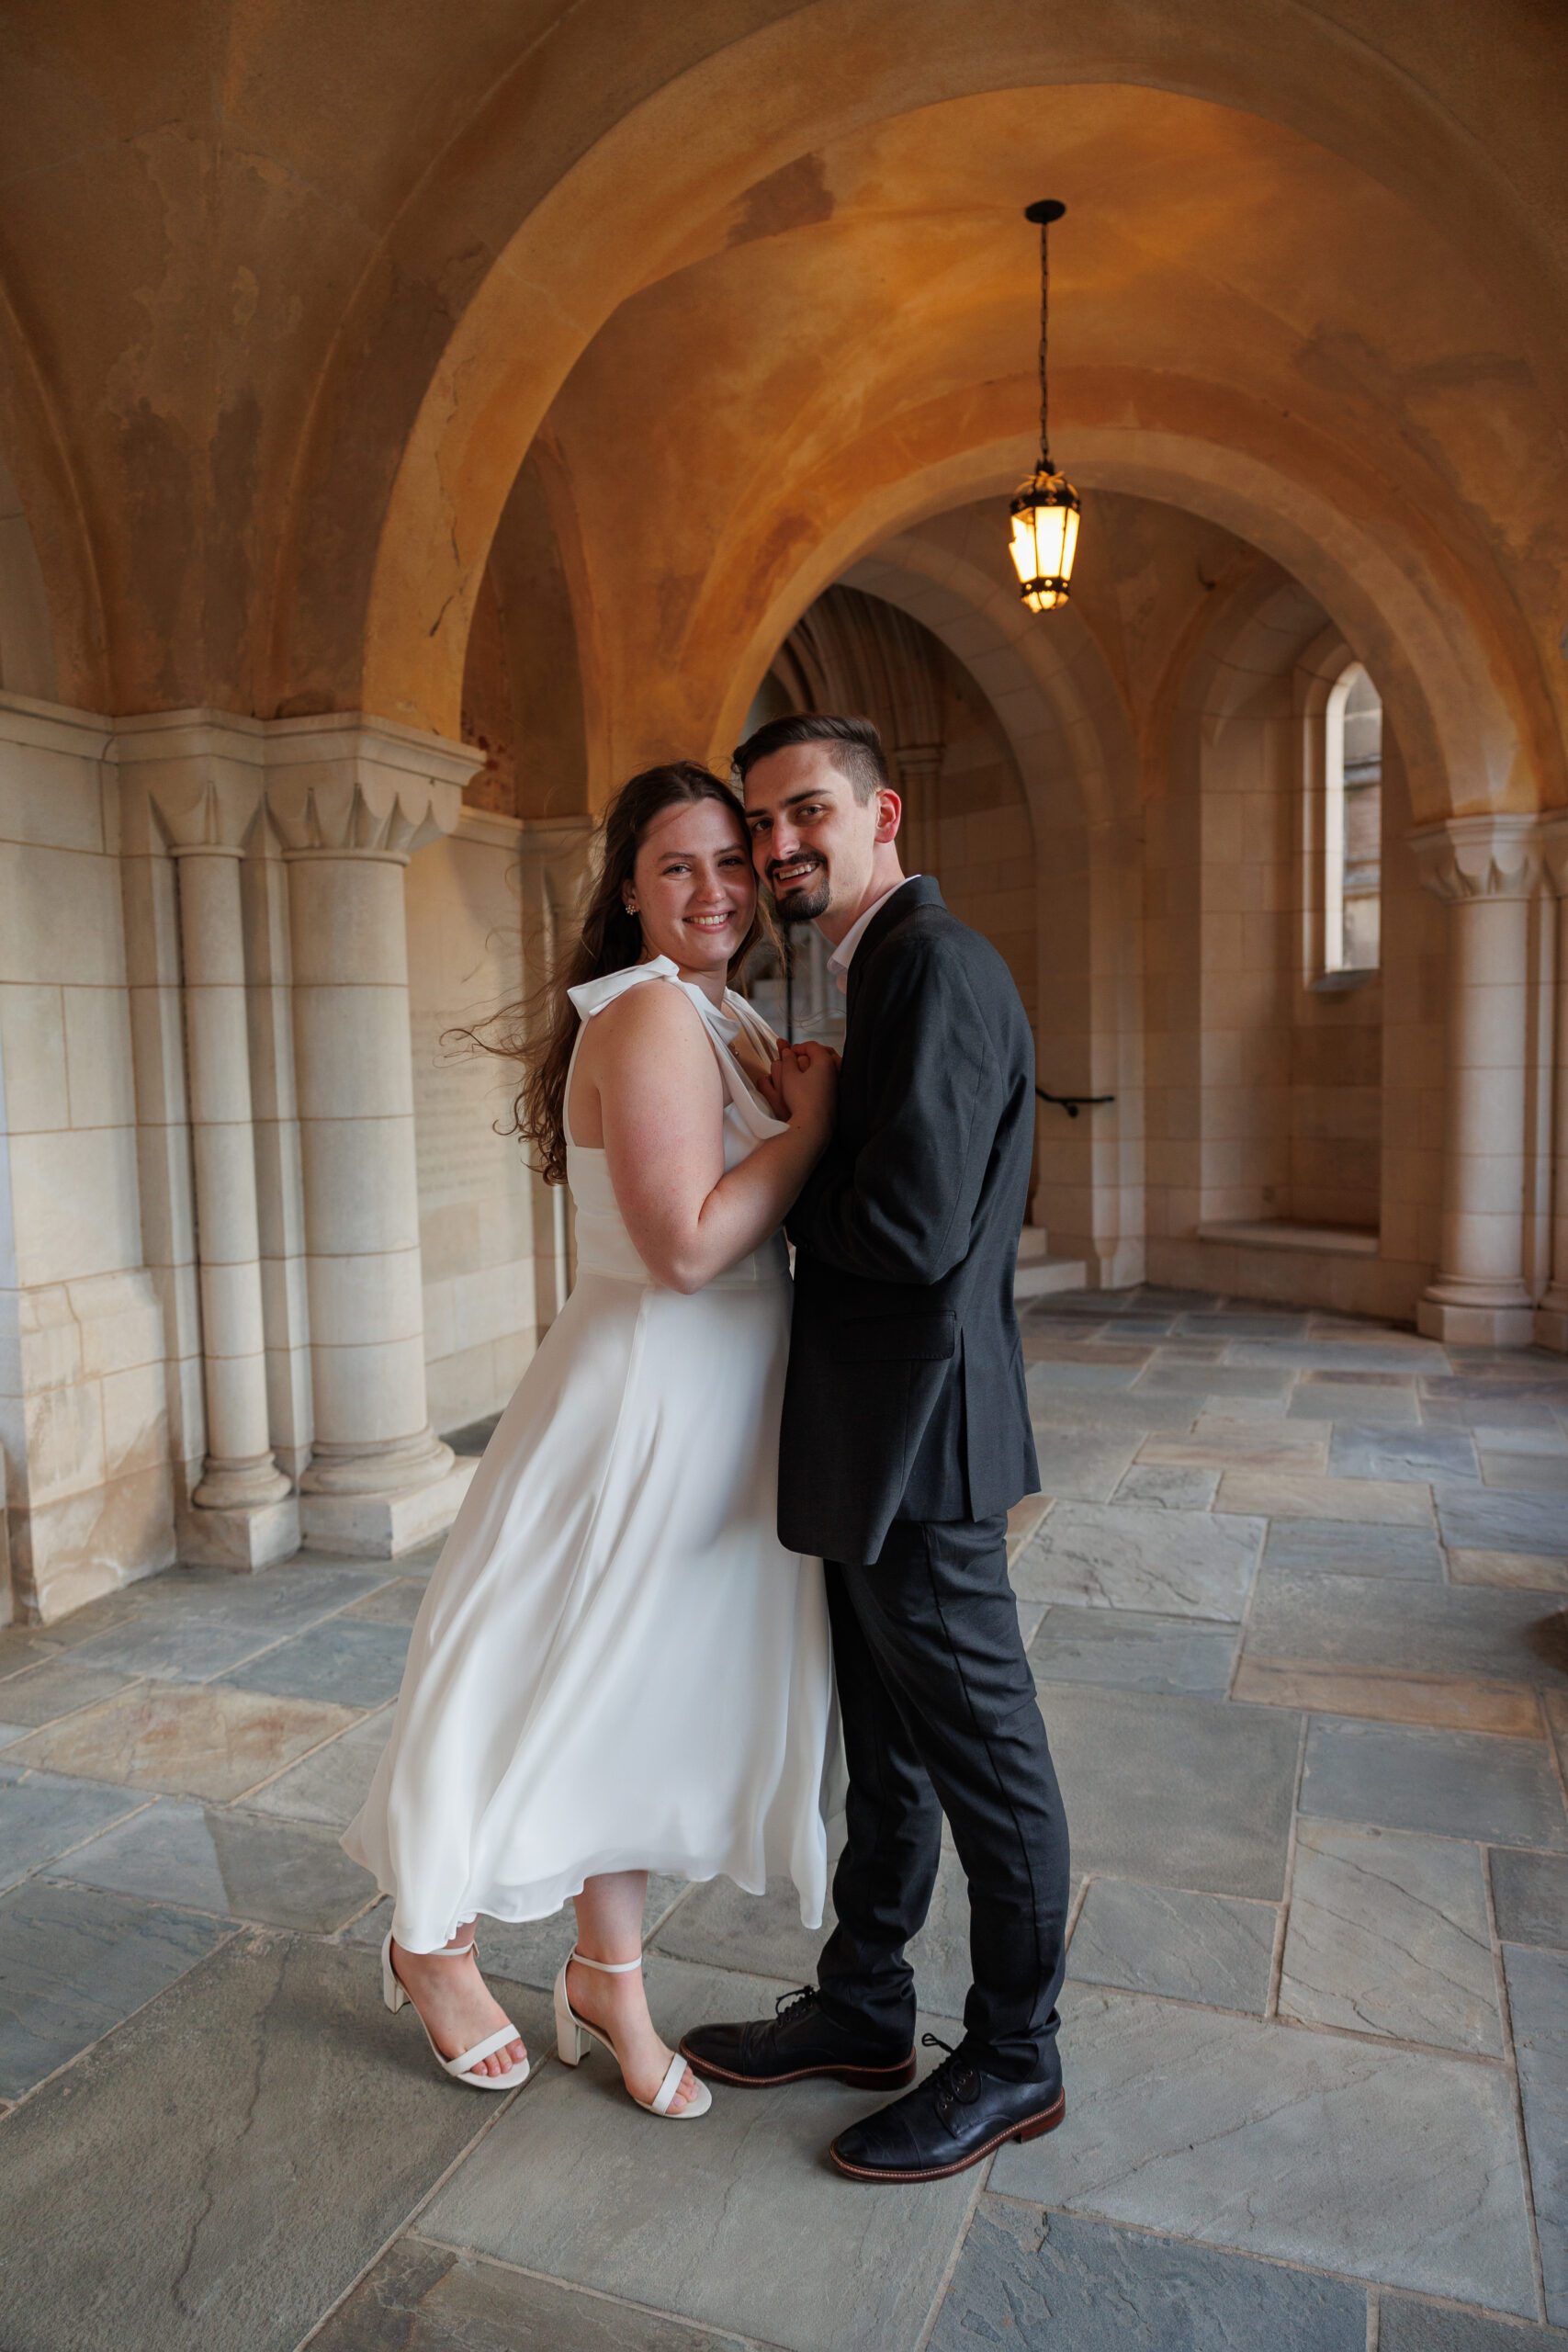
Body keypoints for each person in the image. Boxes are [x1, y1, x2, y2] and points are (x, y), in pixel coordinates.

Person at [344, 760, 838, 2121]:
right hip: (640, 1403)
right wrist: (816, 1131)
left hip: (717, 1408)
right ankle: (430, 1938)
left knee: (635, 1694)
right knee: (530, 1673)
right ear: (626, 889)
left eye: (733, 863)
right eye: (678, 866)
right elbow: (684, 1246)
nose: (716, 889)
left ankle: (606, 1977)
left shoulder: (721, 1011)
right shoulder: (647, 1020)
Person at [681, 713, 1071, 2183]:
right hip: (875, 1437)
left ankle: (1019, 2056)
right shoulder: (872, 968)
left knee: (989, 1763)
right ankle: (864, 2005)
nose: (779, 844)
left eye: (805, 812)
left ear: (881, 813)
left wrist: (785, 1159)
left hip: (929, 1442)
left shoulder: (934, 965)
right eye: (759, 822)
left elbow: (910, 1234)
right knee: (891, 1757)